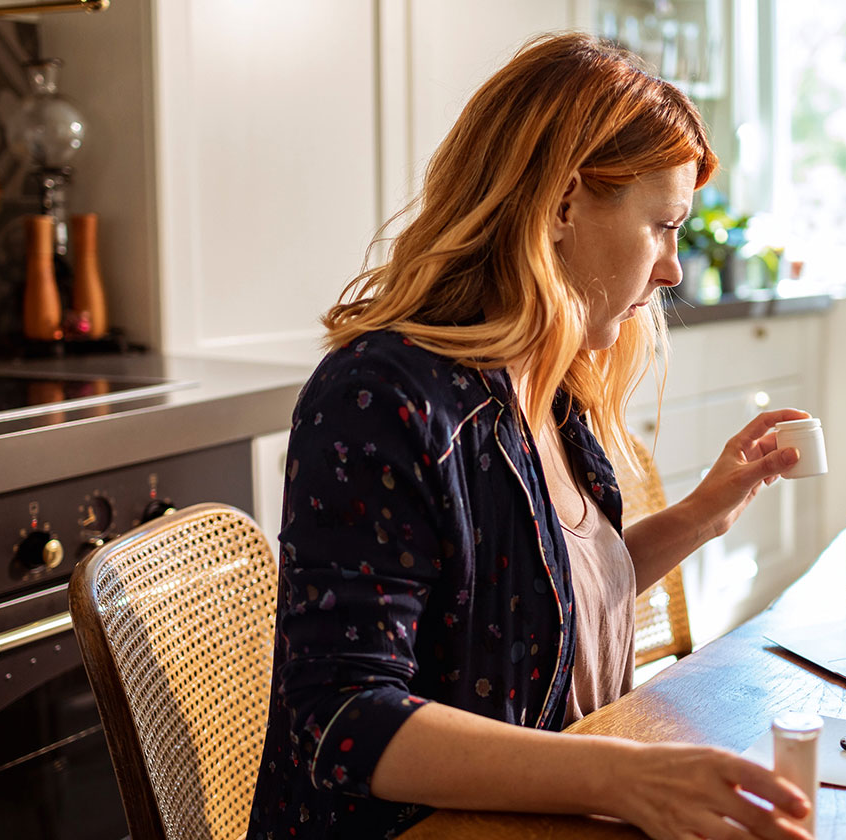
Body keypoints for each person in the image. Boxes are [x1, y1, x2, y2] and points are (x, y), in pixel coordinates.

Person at [248, 32, 814, 840]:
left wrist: (702, 515)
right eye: (663, 224)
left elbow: (533, 605)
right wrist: (626, 777)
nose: (673, 271)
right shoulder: (380, 399)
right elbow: (342, 716)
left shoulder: (548, 387)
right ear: (561, 205)